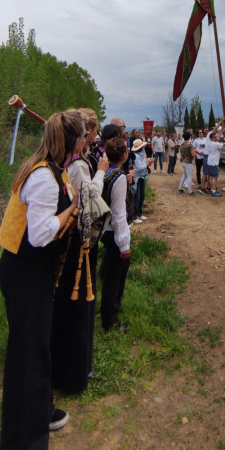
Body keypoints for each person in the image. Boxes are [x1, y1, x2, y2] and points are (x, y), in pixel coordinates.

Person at [0, 111, 84, 450]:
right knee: (27, 360)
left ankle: (39, 411)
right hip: (25, 271)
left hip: (30, 271)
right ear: (73, 141)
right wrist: (71, 210)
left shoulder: (50, 168)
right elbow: (39, 234)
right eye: (83, 137)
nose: (86, 142)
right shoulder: (46, 178)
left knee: (34, 351)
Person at [51, 109, 109, 395]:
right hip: (76, 239)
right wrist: (101, 173)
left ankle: (78, 364)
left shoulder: (80, 159)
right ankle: (73, 370)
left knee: (80, 302)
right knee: (76, 302)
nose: (91, 136)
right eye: (88, 132)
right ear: (81, 135)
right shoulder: (78, 165)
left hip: (77, 236)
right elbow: (88, 199)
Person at [101, 136, 131, 331]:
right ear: (124, 155)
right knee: (115, 276)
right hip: (113, 231)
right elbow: (119, 213)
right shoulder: (119, 177)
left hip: (104, 228)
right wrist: (124, 244)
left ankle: (109, 309)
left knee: (109, 272)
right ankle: (110, 320)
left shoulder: (104, 172)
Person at [200, 117, 224, 194]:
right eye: (214, 130)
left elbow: (218, 135)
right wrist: (222, 120)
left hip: (209, 157)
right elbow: (216, 130)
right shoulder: (209, 135)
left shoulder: (212, 138)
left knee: (210, 174)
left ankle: (209, 187)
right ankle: (202, 187)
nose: (216, 131)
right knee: (205, 173)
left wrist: (223, 129)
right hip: (206, 156)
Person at [132, 138, 154, 221]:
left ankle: (139, 213)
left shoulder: (140, 154)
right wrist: (147, 164)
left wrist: (147, 164)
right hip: (138, 177)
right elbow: (140, 167)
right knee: (137, 196)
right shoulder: (137, 156)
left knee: (142, 195)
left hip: (141, 177)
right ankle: (135, 215)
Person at [206, 120, 225, 196]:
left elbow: (217, 137)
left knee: (212, 176)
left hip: (210, 162)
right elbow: (224, 144)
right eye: (215, 136)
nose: (216, 137)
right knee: (214, 177)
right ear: (212, 138)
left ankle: (212, 189)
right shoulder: (215, 144)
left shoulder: (210, 142)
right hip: (214, 163)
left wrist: (222, 131)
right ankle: (214, 190)